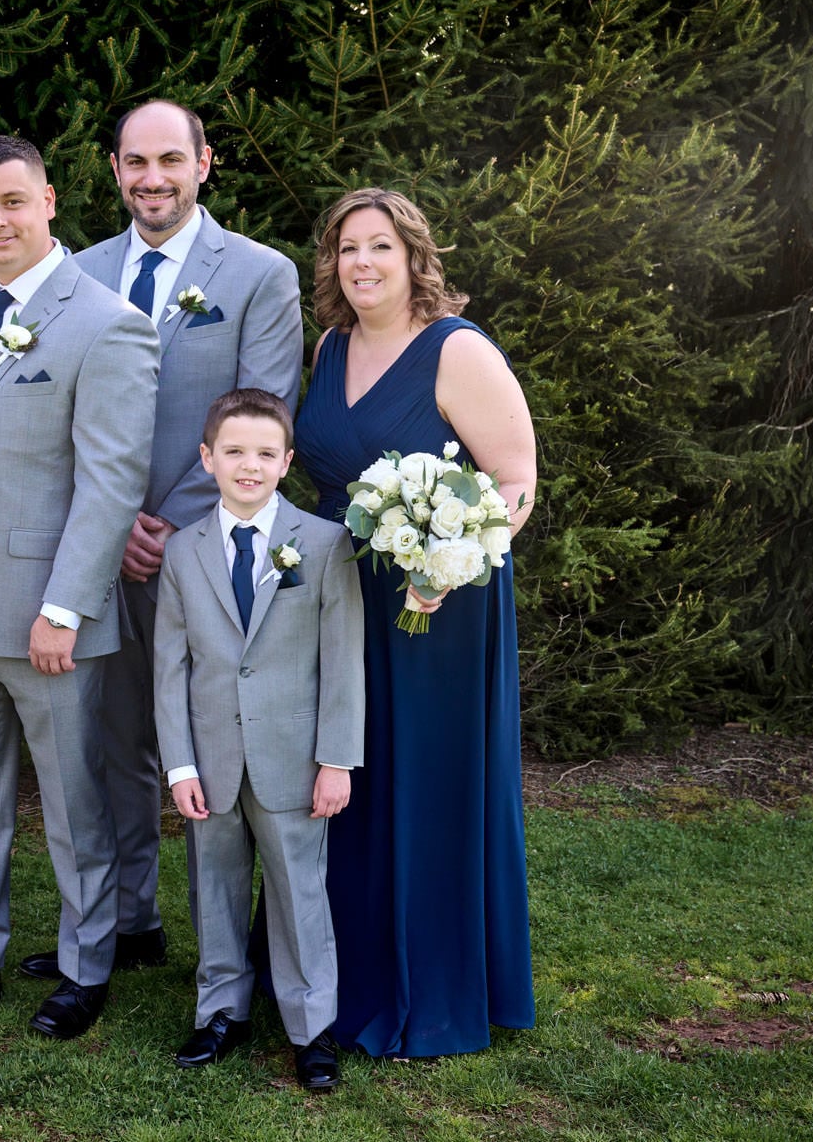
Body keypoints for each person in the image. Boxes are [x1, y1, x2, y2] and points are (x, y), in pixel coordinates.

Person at [18, 99, 304, 982]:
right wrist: (106, 532)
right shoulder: (76, 273)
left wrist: (167, 525)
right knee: (109, 747)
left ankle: (232, 948)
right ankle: (128, 920)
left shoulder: (260, 274)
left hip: (200, 555)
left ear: (204, 163)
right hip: (90, 552)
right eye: (135, 162)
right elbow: (50, 416)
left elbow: (260, 412)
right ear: (112, 170)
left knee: (213, 743)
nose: (152, 178)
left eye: (170, 160)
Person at [292, 187, 537, 1057]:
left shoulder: (455, 350)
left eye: (379, 248)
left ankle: (431, 982)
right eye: (346, 248)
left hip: (437, 606)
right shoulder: (329, 345)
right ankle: (337, 971)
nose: (361, 263)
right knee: (344, 774)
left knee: (423, 779)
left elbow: (513, 482)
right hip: (340, 593)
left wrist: (444, 565)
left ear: (413, 257)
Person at [0, 135, 160, 1040]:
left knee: (74, 803)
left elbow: (110, 481)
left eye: (12, 202)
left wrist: (65, 606)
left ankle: (85, 960)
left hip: (46, 616)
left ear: (51, 200)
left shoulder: (106, 322)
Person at [154, 388, 363, 1092]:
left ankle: (311, 1027)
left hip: (293, 758)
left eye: (265, 454)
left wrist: (335, 759)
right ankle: (221, 1010)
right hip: (210, 760)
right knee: (213, 887)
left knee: (300, 891)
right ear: (207, 457)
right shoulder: (183, 551)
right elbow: (170, 667)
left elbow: (342, 664)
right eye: (235, 451)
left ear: (287, 462)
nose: (250, 466)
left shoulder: (325, 543)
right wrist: (179, 762)